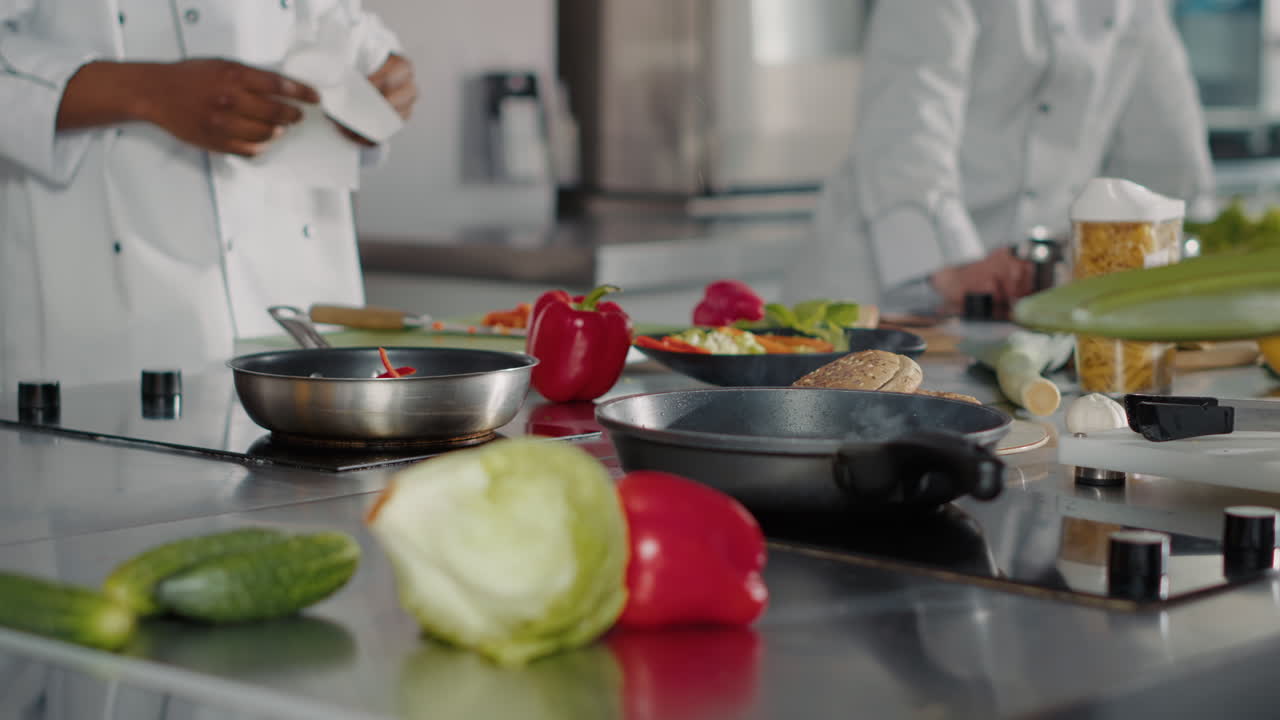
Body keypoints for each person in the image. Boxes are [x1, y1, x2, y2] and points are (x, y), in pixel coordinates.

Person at [0, 1, 417, 389]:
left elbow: (334, 17)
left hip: (298, 269)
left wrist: (379, 72)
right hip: (104, 296)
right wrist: (148, 89)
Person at [780, 0, 1215, 317]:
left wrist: (1179, 250)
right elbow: (910, 121)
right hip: (881, 283)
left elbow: (1167, 146)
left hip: (1023, 300)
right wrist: (952, 265)